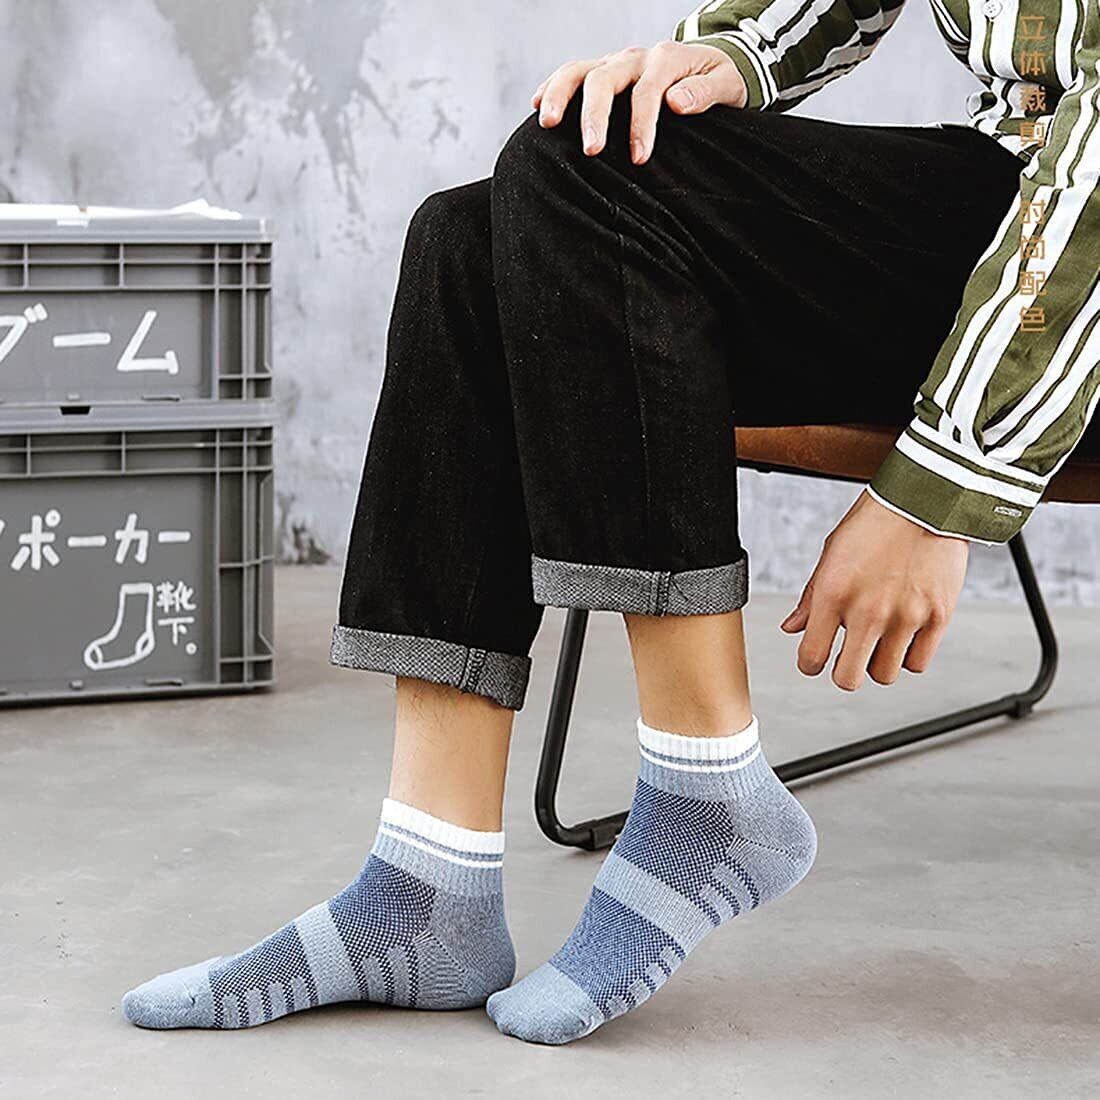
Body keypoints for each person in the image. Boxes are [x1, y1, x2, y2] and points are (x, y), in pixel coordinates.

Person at [121, 0, 1099, 1045]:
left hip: (1073, 273)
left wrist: (939, 485)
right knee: (469, 241)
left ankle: (704, 789)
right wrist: (727, 55)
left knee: (584, 175)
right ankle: (426, 884)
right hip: (1010, 192)